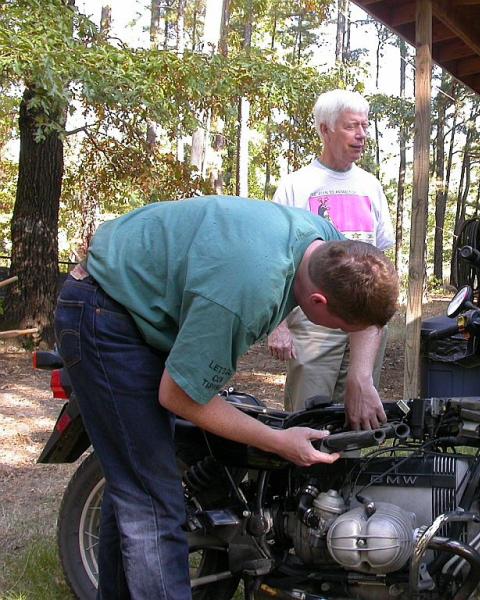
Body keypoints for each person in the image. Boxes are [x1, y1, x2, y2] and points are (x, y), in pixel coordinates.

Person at [54, 195, 399, 599]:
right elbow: (179, 396)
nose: (343, 334)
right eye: (341, 327)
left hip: (139, 301)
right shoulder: (249, 291)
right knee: (154, 503)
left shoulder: (327, 247)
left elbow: (367, 317)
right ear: (318, 302)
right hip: (104, 313)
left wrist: (360, 377)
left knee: (134, 483)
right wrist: (278, 441)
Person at [269, 89, 395, 412]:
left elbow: (382, 258)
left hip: (364, 319)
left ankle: (350, 465)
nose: (362, 135)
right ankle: (302, 463)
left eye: (365, 127)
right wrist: (278, 325)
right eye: (352, 127)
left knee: (358, 411)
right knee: (308, 414)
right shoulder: (297, 185)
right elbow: (276, 260)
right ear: (325, 129)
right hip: (315, 320)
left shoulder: (371, 186)